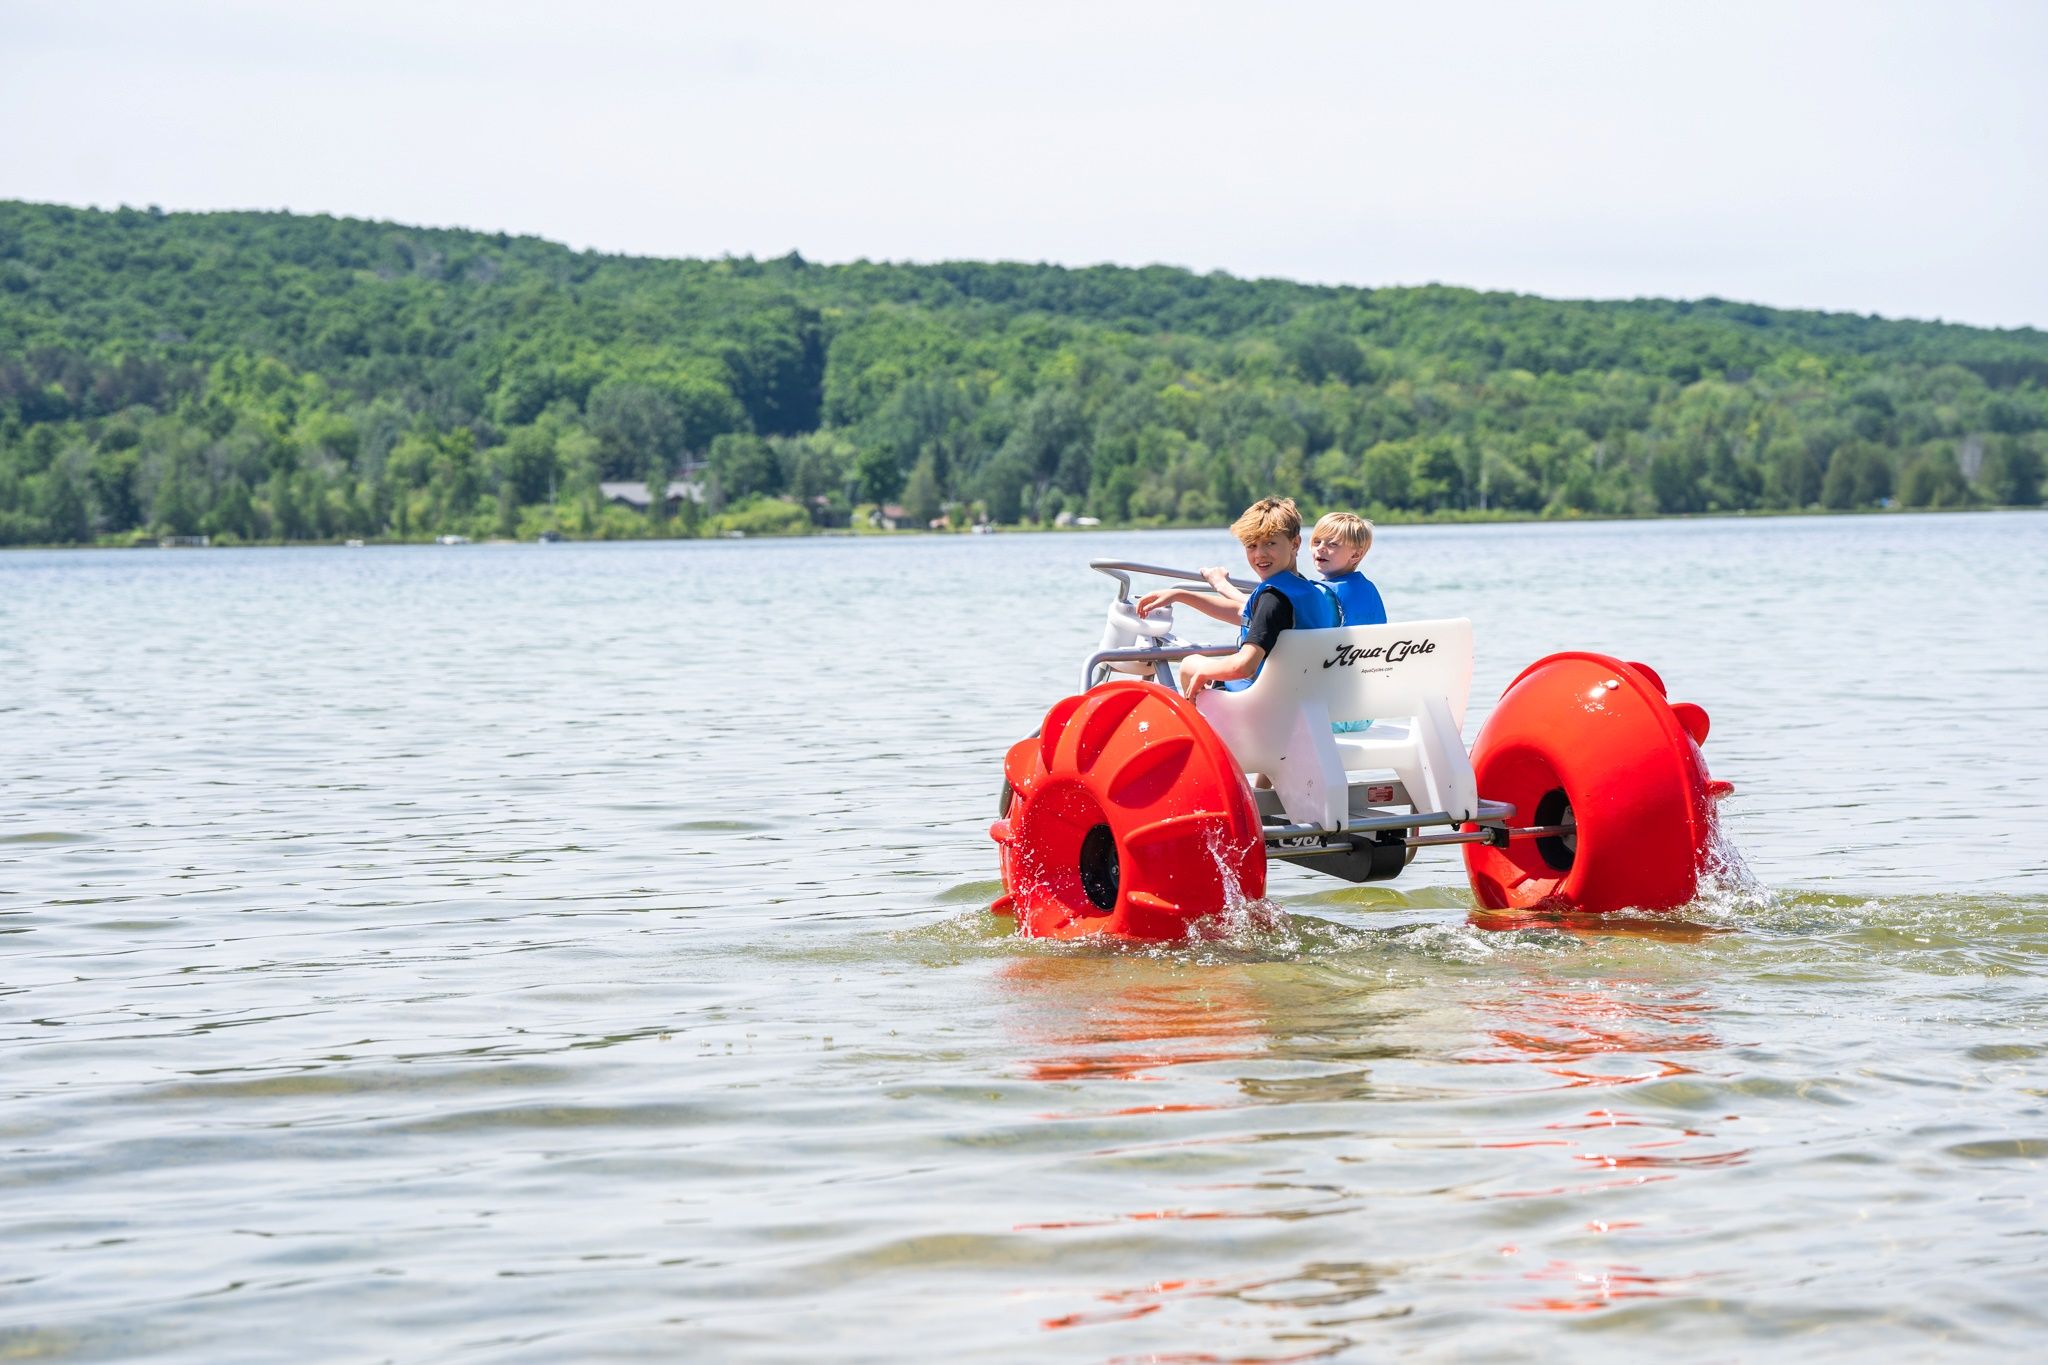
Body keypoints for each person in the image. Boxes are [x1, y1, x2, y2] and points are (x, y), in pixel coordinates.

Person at [1136, 496, 1338, 698]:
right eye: (1251, 545)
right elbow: (1245, 613)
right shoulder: (1310, 592)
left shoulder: (1273, 598)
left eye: (1270, 543)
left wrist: (1206, 671)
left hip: (1263, 705)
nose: (1260, 554)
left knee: (1190, 664)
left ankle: (1202, 727)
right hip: (1303, 701)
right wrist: (1181, 595)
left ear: (1295, 543)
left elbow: (1245, 666)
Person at [1307, 511, 1387, 627]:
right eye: (1317, 542)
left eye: (1332, 544)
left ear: (1355, 555)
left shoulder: (1322, 593)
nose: (1320, 548)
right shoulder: (1368, 588)